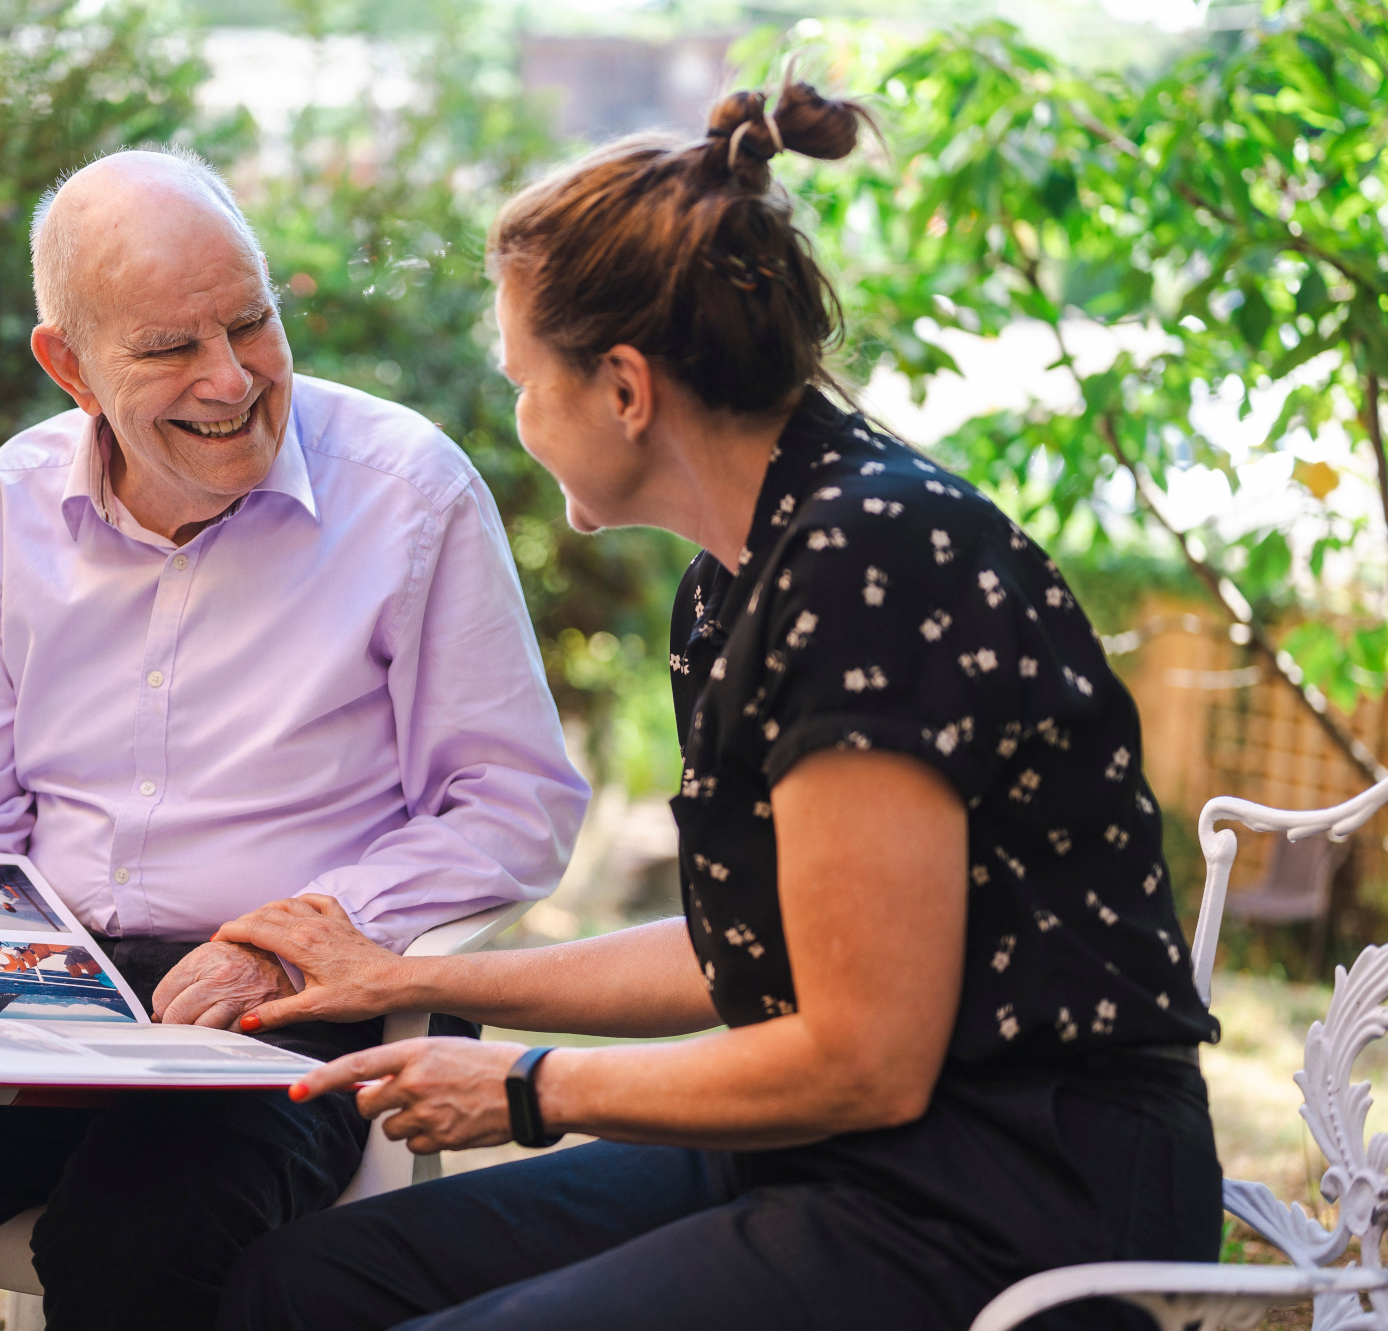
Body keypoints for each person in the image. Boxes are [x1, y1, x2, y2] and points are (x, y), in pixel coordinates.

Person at [209, 80, 1223, 1331]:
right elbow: (736, 952)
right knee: (303, 1284)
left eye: (526, 381)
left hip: (1011, 1186)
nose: (519, 418)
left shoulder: (868, 559)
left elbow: (862, 1052)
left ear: (623, 388)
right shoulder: (739, 576)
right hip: (846, 1148)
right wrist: (392, 974)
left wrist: (528, 1088)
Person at [0, 148, 588, 1331]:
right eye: (166, 348)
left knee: (132, 1239)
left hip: (292, 1011)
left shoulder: (408, 491)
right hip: (39, 990)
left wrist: (288, 943)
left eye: (249, 324)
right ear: (70, 365)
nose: (231, 380)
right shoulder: (2, 508)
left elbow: (511, 803)